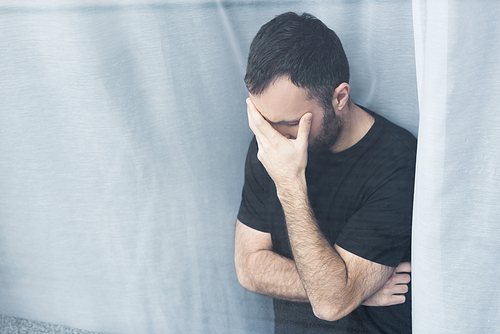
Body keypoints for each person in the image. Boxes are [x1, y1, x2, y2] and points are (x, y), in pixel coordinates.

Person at [234, 12, 416, 333]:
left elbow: (330, 304)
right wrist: (356, 293)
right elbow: (249, 267)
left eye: (291, 123)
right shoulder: (271, 141)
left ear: (339, 97)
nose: (276, 136)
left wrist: (290, 184)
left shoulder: (397, 162)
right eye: (266, 121)